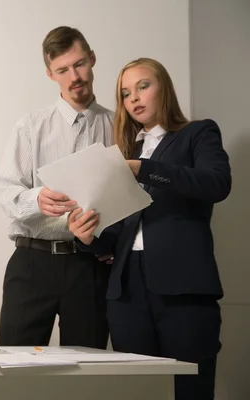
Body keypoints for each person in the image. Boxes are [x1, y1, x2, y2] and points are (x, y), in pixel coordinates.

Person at [68, 58, 231, 400]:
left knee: (190, 390)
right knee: (138, 391)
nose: (134, 98)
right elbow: (120, 233)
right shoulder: (128, 153)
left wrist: (144, 169)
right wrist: (88, 237)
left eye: (143, 86)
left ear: (164, 88)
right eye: (126, 94)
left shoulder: (197, 133)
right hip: (127, 292)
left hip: (184, 288)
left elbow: (216, 184)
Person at [0, 26, 113, 348]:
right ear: (51, 74)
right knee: (16, 369)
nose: (73, 76)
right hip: (32, 262)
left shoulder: (119, 127)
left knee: (85, 374)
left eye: (78, 64)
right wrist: (37, 199)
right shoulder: (30, 126)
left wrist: (111, 245)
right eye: (62, 70)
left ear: (92, 59)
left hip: (89, 267)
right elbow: (6, 190)